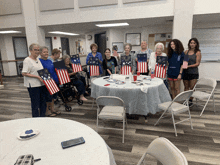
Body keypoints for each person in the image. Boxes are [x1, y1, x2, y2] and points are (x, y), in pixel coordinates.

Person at [22, 43, 46, 117]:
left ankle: (42, 117)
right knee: (35, 104)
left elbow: (41, 70)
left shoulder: (38, 59)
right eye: (35, 50)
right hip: (33, 85)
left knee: (43, 103)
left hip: (41, 84)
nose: (37, 51)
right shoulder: (27, 60)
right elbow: (24, 73)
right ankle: (35, 119)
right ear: (30, 51)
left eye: (38, 50)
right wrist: (37, 77)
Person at [39, 46, 61, 117]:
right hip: (47, 81)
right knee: (47, 98)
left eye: (47, 52)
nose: (46, 53)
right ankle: (47, 111)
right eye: (44, 52)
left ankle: (52, 109)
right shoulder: (39, 61)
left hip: (54, 80)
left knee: (52, 97)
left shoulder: (49, 60)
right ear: (40, 53)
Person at [183, 38, 201, 105]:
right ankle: (186, 100)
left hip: (193, 72)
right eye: (191, 43)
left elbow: (197, 64)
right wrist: (184, 66)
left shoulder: (198, 52)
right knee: (186, 87)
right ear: (189, 44)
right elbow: (185, 61)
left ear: (196, 44)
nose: (192, 44)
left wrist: (189, 66)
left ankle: (190, 100)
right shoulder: (186, 52)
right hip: (186, 72)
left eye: (194, 43)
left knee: (192, 87)